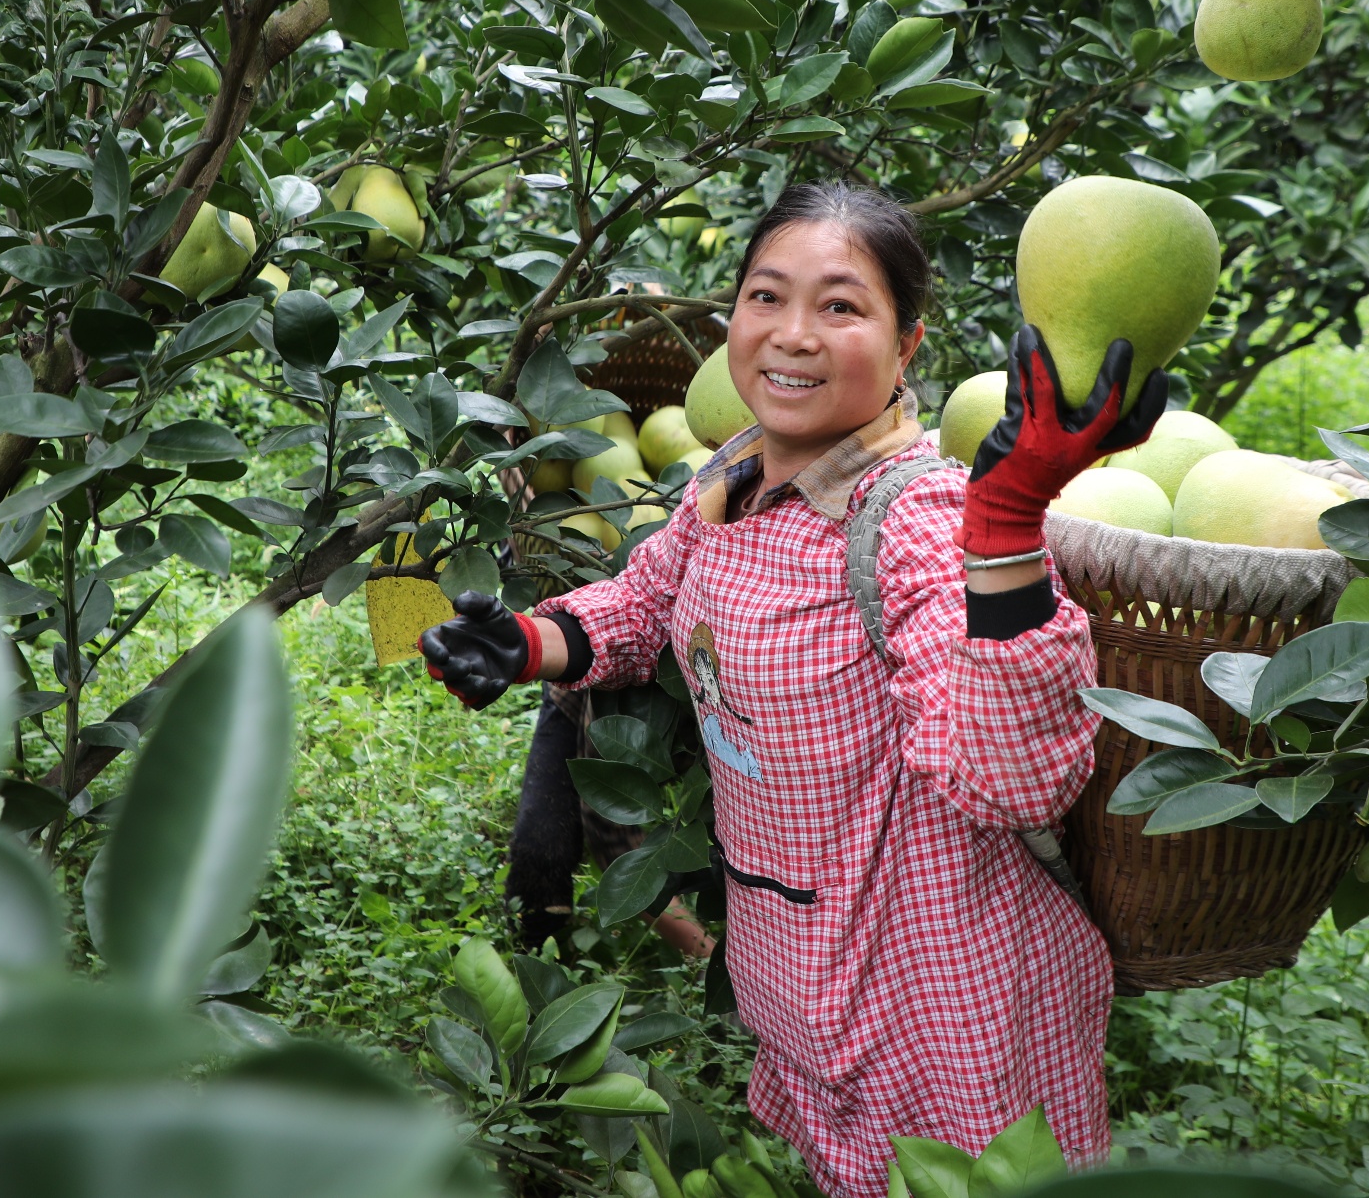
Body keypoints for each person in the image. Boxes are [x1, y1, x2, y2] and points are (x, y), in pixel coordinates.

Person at [421, 181, 1166, 1197]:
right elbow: (647, 600)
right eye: (766, 296)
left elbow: (1008, 780)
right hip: (806, 976)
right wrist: (530, 639)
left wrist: (1003, 528)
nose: (793, 334)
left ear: (906, 346)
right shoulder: (732, 477)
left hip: (948, 1007)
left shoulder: (915, 517)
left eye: (842, 306)